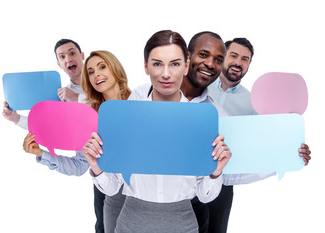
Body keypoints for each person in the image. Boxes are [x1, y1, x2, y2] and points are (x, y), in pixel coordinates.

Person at [129, 33, 311, 233]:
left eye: (218, 60)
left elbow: (231, 168)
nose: (210, 64)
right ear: (187, 59)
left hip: (191, 205)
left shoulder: (216, 115)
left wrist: (285, 157)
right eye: (203, 55)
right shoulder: (141, 95)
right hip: (140, 208)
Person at [82, 30, 232, 233]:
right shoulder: (127, 116)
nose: (166, 74)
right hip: (131, 224)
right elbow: (112, 187)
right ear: (146, 66)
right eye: (157, 63)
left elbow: (205, 196)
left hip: (183, 225)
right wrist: (96, 166)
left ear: (186, 66)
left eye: (175, 64)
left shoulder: (201, 120)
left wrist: (215, 172)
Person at [20, 48, 131, 232]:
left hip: (149, 199)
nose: (97, 75)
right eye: (91, 72)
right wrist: (41, 153)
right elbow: (79, 165)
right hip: (112, 196)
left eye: (102, 67)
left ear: (115, 69)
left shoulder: (141, 101)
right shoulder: (88, 117)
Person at [2, 39, 86, 130]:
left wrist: (77, 97)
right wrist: (16, 119)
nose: (68, 59)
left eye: (72, 53)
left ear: (82, 56)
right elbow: (47, 127)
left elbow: (102, 107)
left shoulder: (100, 81)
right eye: (62, 57)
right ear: (59, 64)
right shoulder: (63, 96)